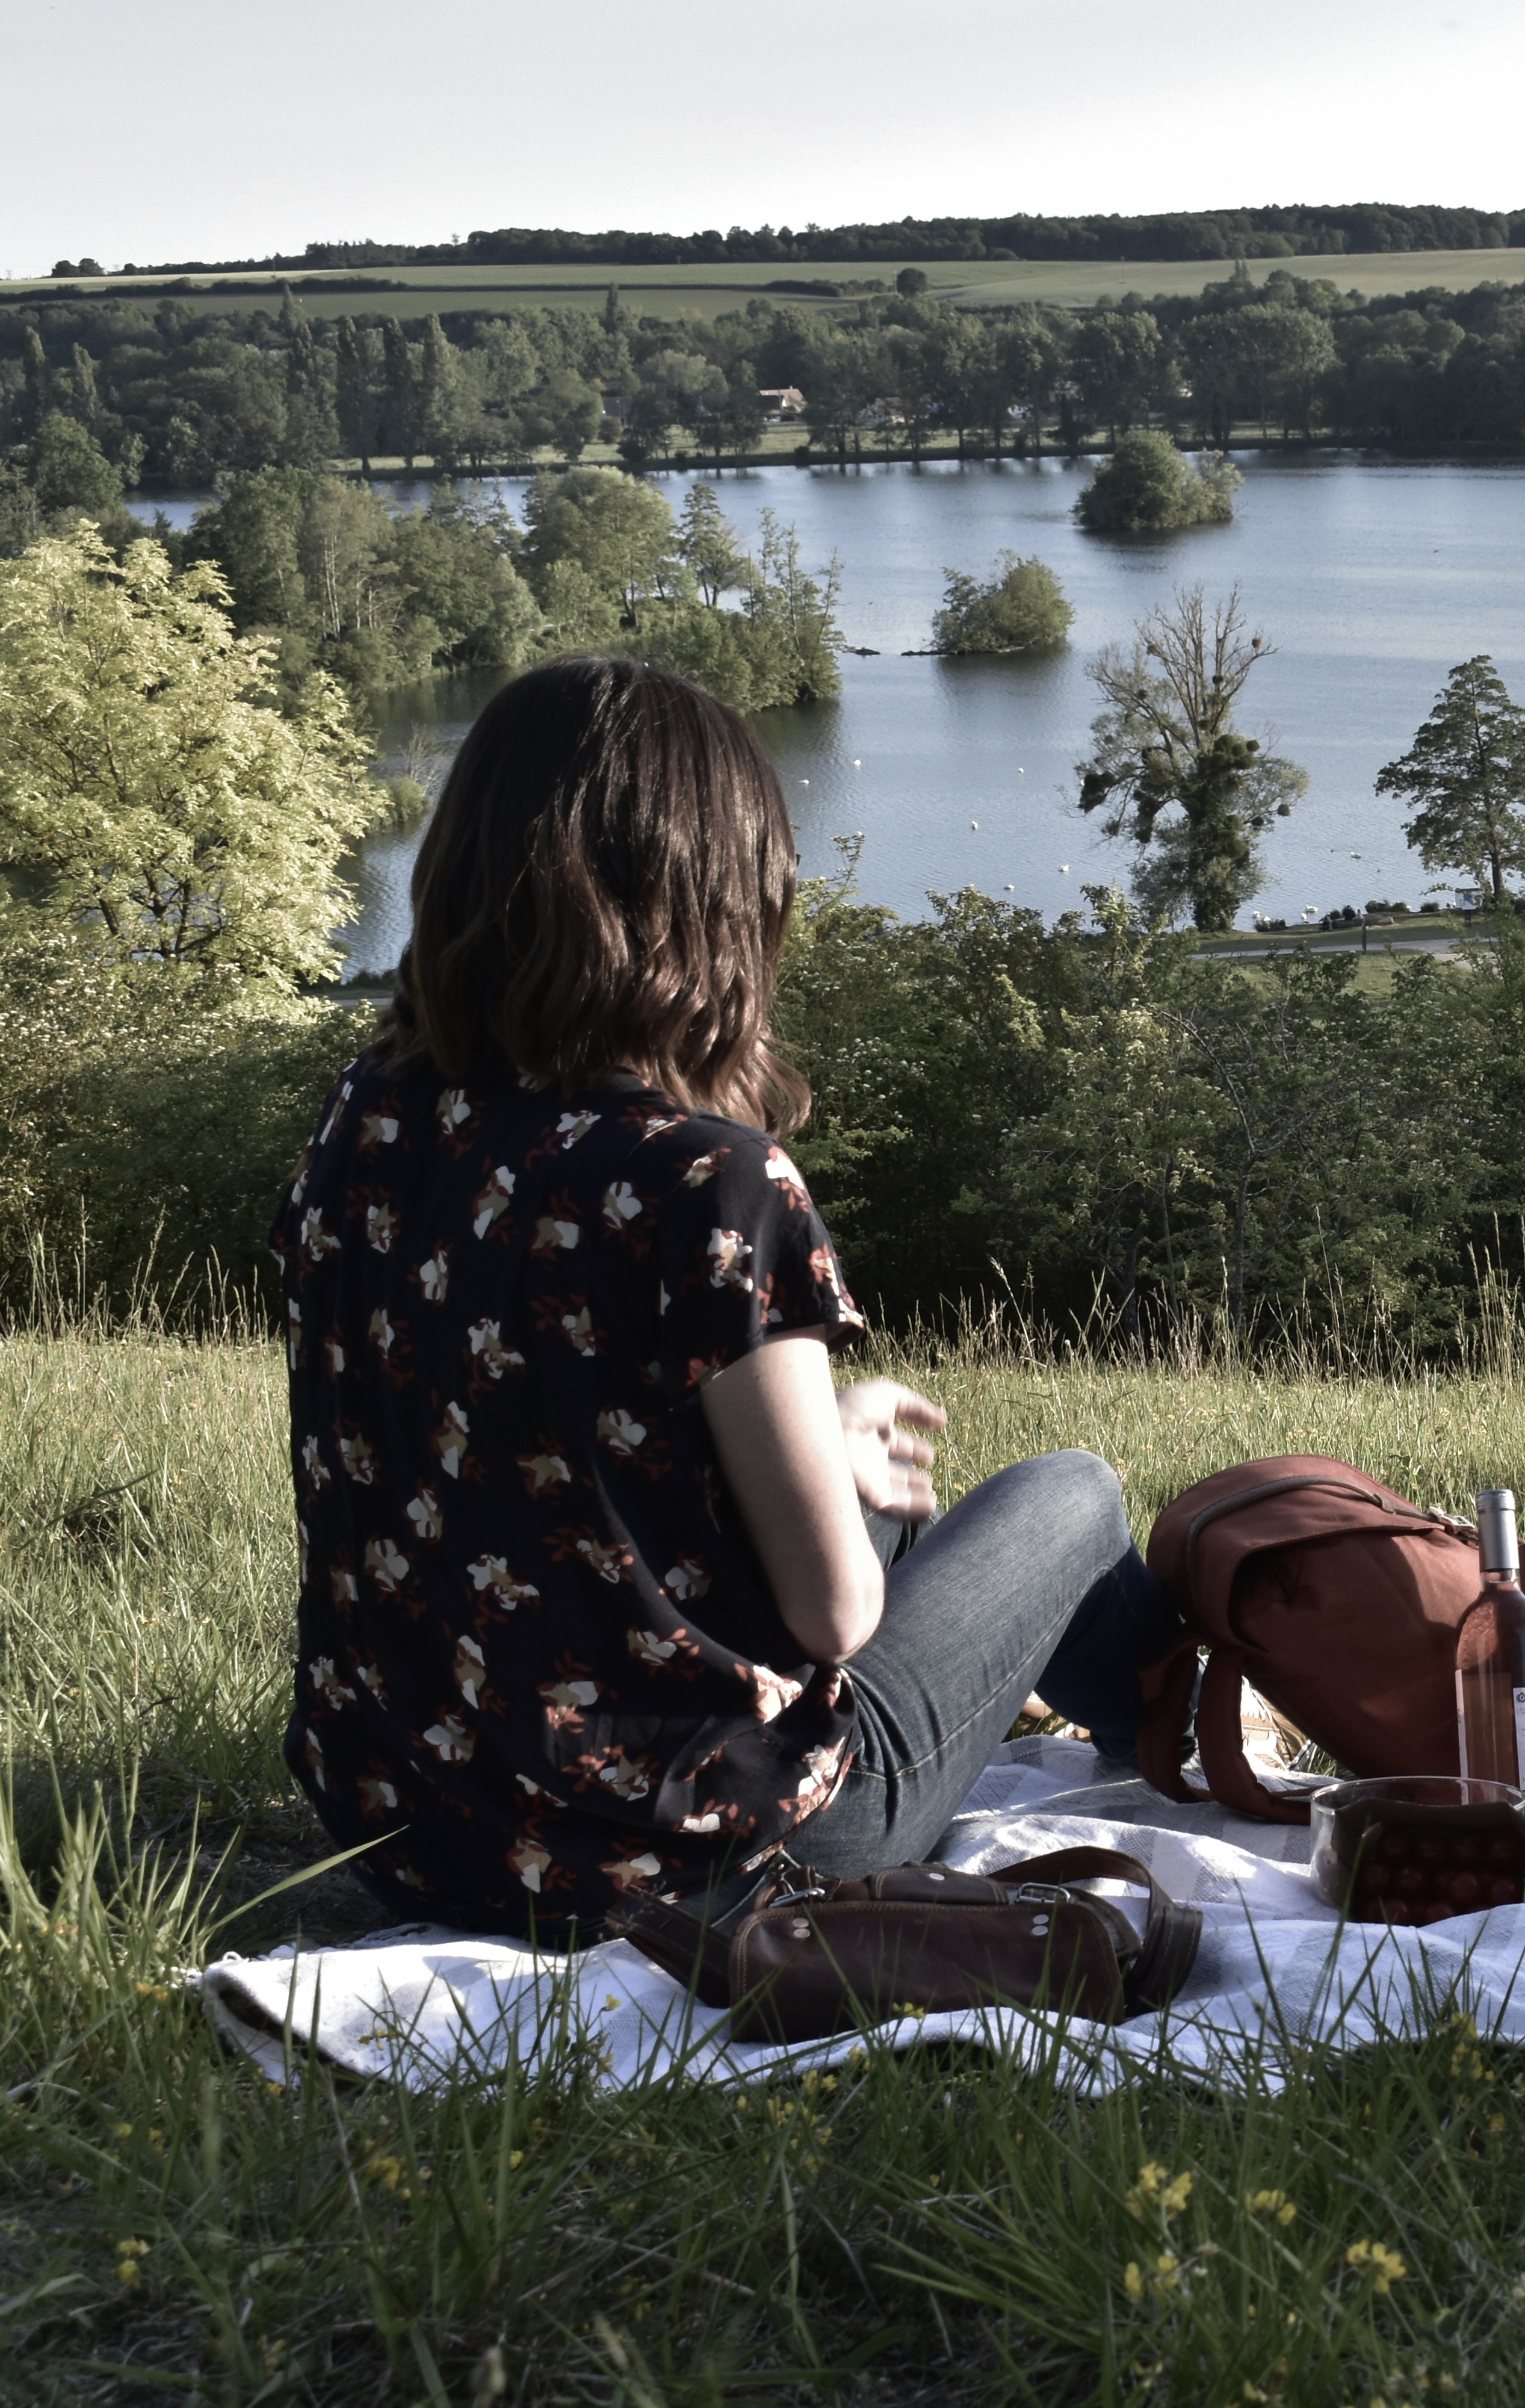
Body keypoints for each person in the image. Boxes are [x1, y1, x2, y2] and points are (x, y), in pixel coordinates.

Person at [271, 656, 1180, 1938]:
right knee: (1071, 1492)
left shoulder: (367, 1123)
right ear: (713, 904)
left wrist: (829, 1427)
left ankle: (1174, 1719)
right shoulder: (710, 1180)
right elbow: (836, 1612)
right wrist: (840, 1454)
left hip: (411, 1822)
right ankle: (1185, 1730)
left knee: (890, 1485)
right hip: (703, 1857)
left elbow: (535, 1443)